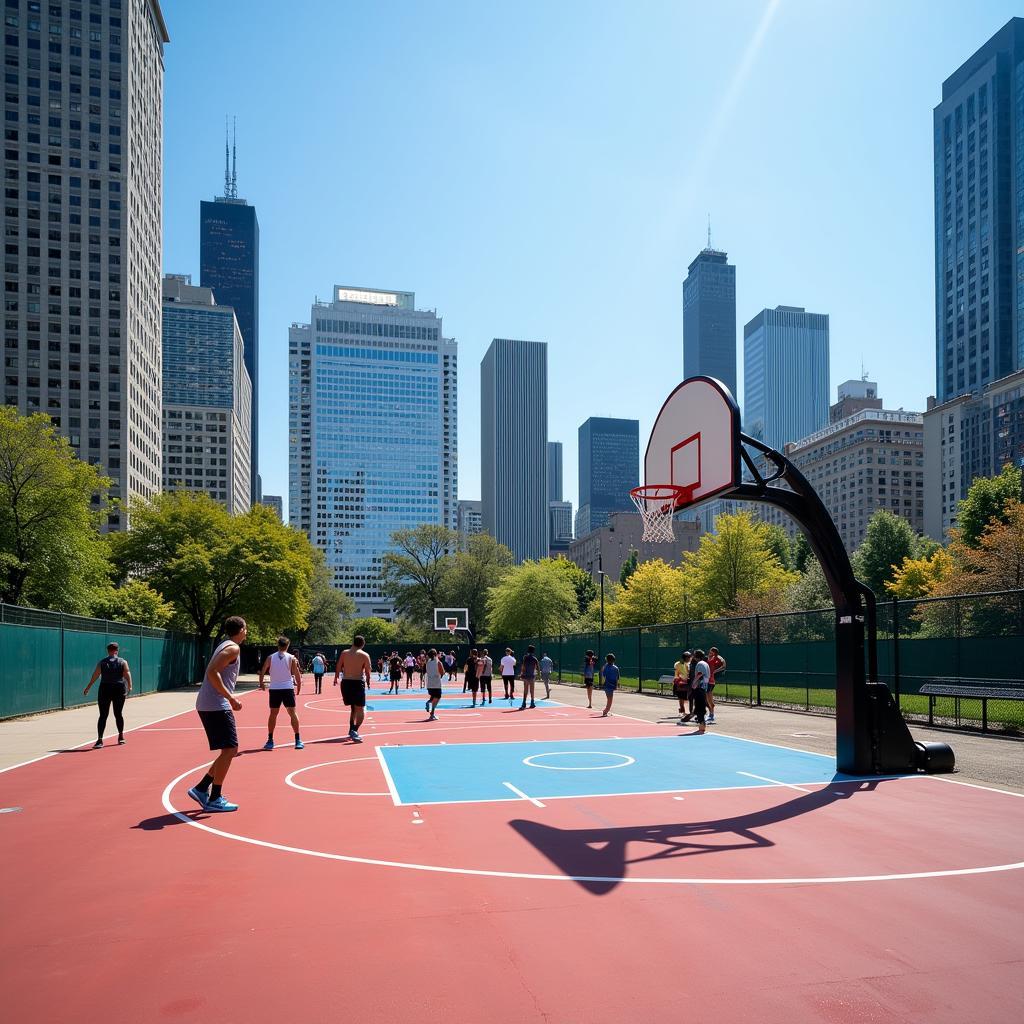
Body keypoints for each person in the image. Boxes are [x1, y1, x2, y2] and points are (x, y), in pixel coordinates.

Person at [188, 616, 246, 812]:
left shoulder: (225, 645)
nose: (246, 632)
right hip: (215, 704)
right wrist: (230, 698)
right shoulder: (233, 648)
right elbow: (212, 671)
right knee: (231, 750)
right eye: (245, 629)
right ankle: (214, 797)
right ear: (240, 630)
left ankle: (202, 788)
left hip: (210, 703)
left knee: (228, 750)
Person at [83, 641, 132, 748]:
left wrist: (88, 687)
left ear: (108, 650)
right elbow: (127, 673)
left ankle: (100, 740)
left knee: (103, 715)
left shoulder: (102, 662)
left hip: (105, 689)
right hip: (119, 689)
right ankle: (121, 736)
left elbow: (95, 675)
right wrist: (130, 686)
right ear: (117, 650)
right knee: (118, 714)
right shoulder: (123, 662)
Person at [258, 636, 304, 751]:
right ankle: (298, 739)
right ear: (287, 646)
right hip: (287, 688)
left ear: (278, 645)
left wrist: (261, 682)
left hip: (275, 689)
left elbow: (263, 670)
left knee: (273, 714)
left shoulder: (270, 657)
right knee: (292, 713)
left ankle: (270, 740)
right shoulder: (291, 658)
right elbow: (297, 673)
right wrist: (298, 686)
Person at [333, 634, 372, 742]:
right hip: (357, 682)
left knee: (353, 708)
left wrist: (336, 677)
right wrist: (368, 682)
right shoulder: (364, 655)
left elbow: (338, 666)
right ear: (363, 644)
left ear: (353, 642)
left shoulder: (344, 653)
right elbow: (368, 671)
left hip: (346, 683)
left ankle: (351, 728)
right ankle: (355, 729)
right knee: (360, 708)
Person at [691, 649, 711, 734]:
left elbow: (700, 674)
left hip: (700, 688)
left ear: (696, 656)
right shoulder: (705, 663)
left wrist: (694, 683)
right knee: (700, 706)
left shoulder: (700, 664)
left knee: (699, 707)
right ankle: (701, 726)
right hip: (704, 687)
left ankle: (702, 726)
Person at [706, 646, 726, 724]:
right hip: (704, 681)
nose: (710, 653)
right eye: (710, 651)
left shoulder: (715, 658)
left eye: (712, 652)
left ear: (715, 653)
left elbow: (724, 665)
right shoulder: (707, 658)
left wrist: (715, 671)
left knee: (709, 698)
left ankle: (711, 714)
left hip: (710, 681)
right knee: (705, 698)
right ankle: (707, 713)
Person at [424, 648, 443, 721]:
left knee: (433, 697)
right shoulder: (438, 662)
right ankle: (432, 712)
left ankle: (432, 712)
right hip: (436, 683)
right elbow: (442, 672)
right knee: (437, 697)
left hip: (429, 683)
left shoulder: (428, 663)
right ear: (435, 654)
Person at [519, 645, 539, 710]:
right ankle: (532, 703)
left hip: (526, 675)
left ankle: (524, 703)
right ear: (533, 651)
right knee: (532, 690)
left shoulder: (525, 657)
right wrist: (538, 675)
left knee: (525, 690)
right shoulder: (535, 658)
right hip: (532, 676)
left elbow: (523, 666)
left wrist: (521, 674)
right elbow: (537, 668)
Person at [673, 650, 692, 718]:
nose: (690, 658)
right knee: (681, 697)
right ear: (685, 658)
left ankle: (683, 710)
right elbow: (677, 673)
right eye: (689, 657)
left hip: (687, 682)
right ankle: (682, 711)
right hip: (680, 682)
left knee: (686, 698)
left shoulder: (689, 664)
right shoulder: (678, 664)